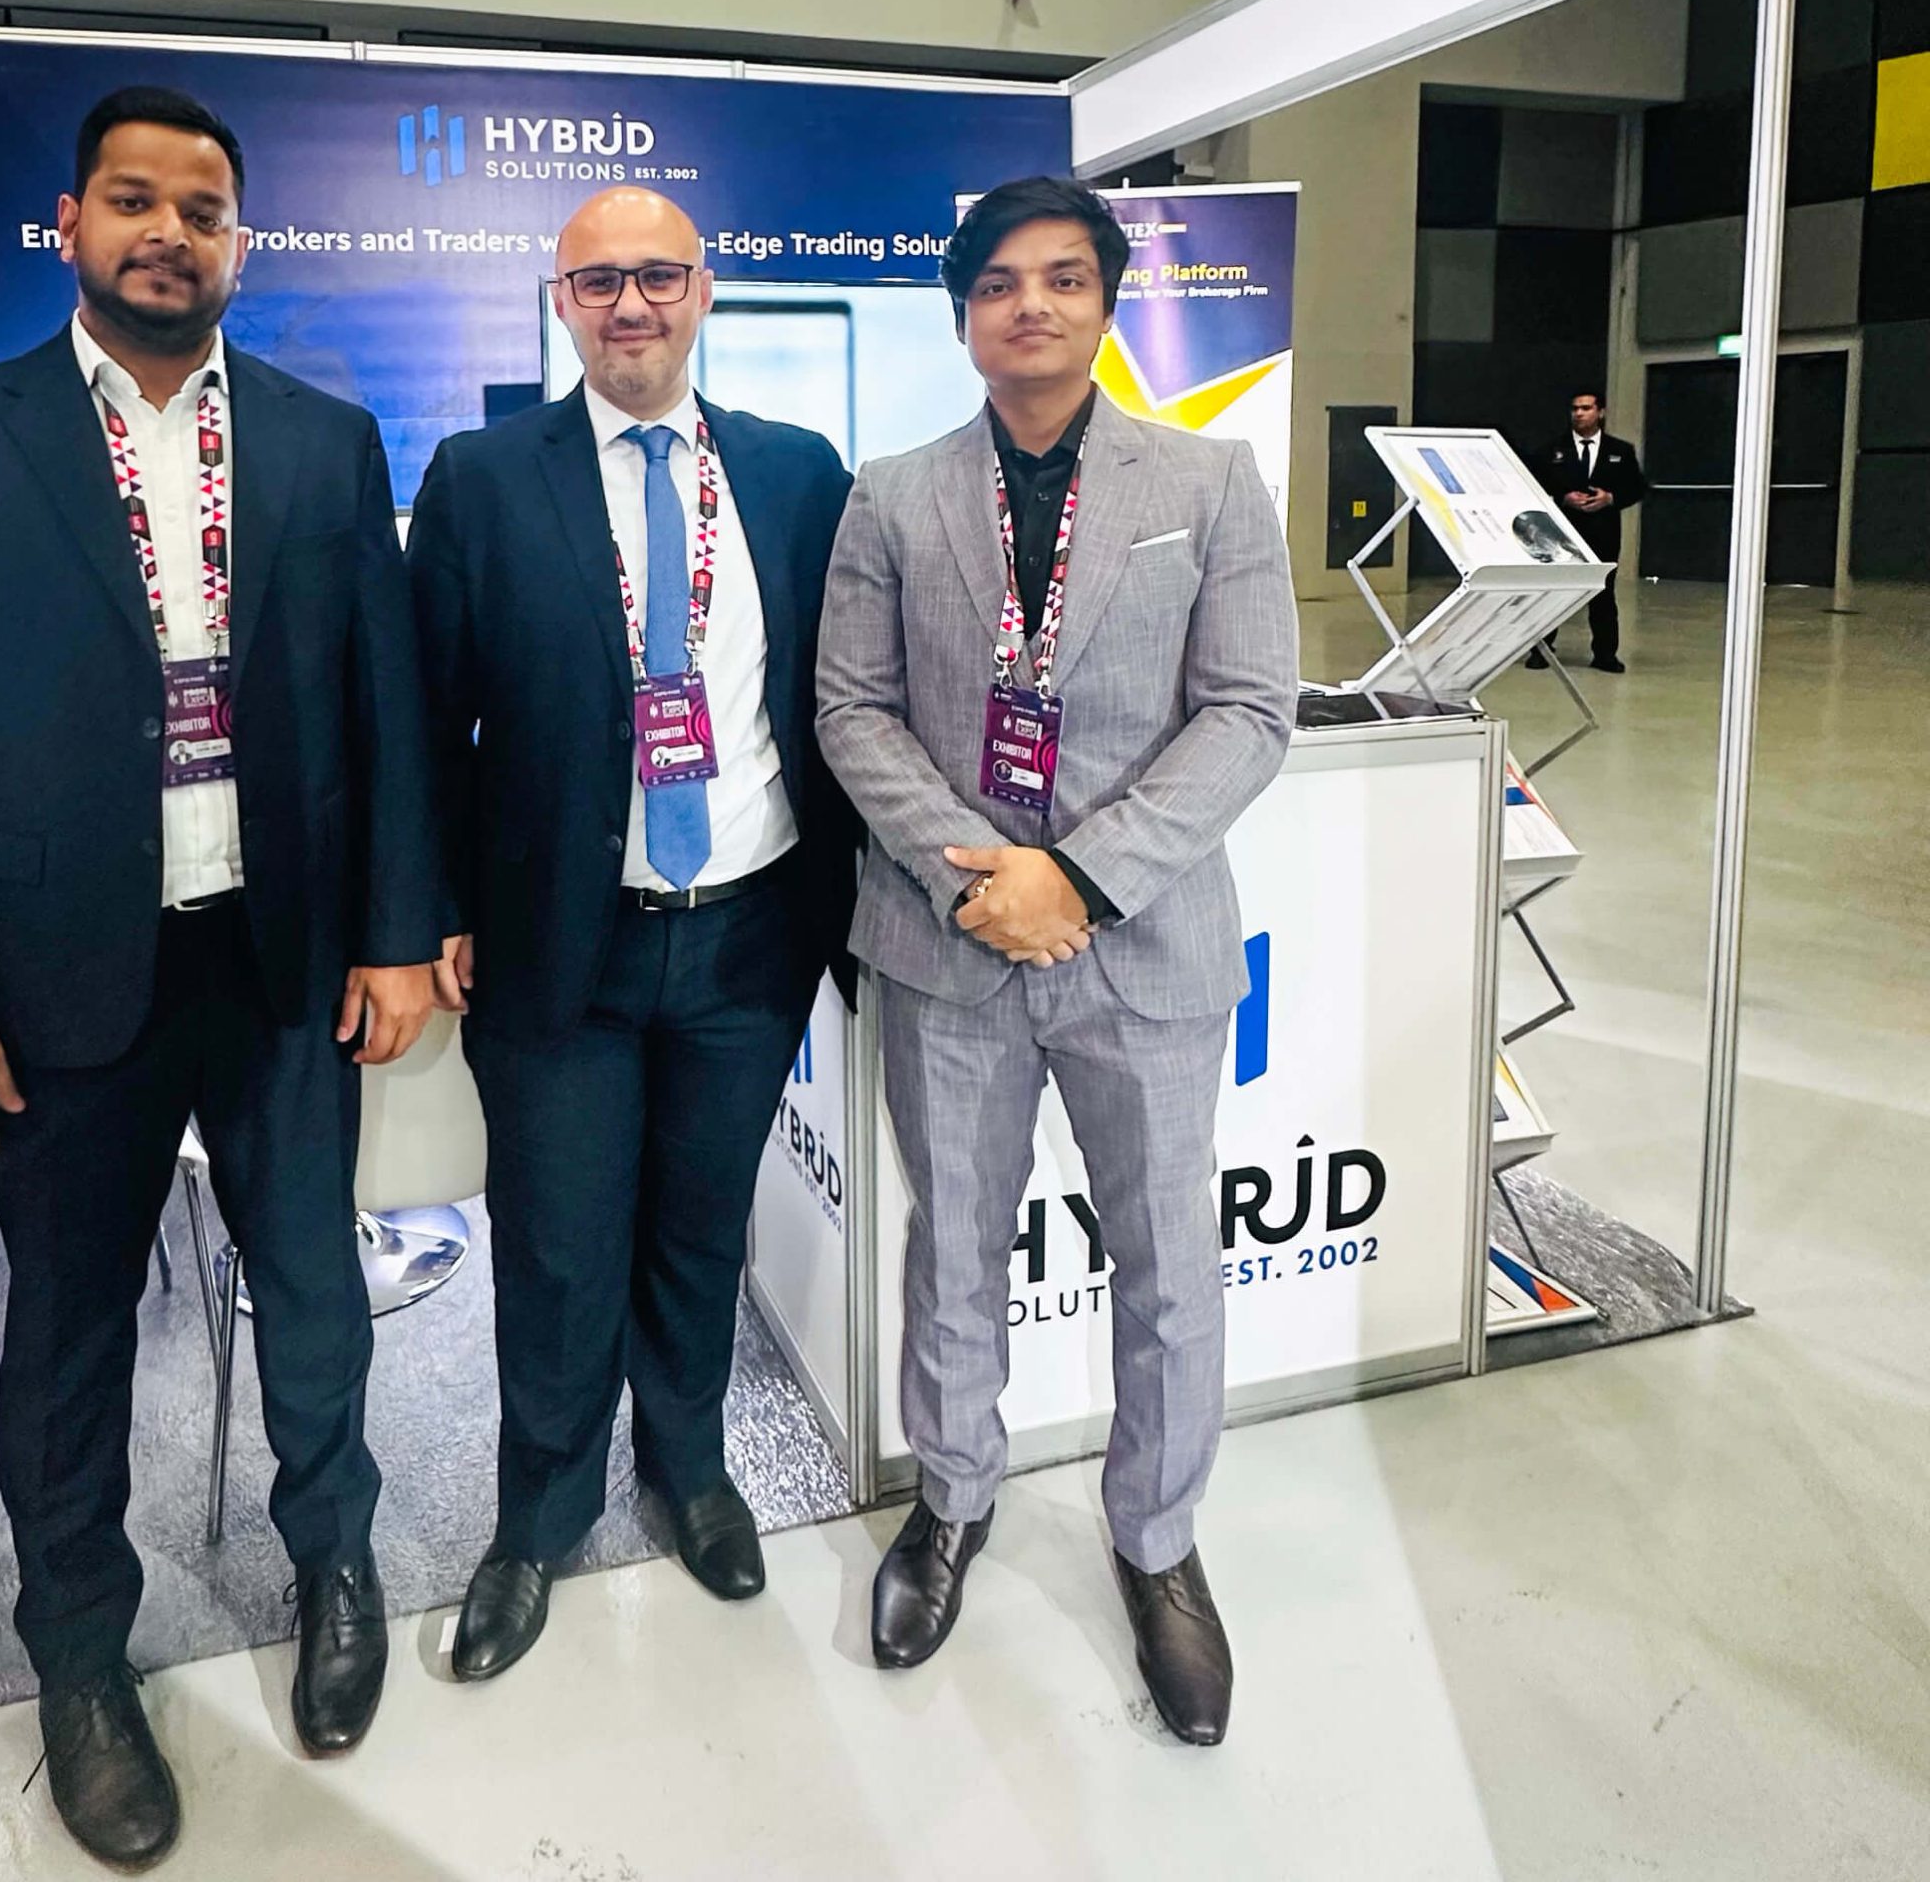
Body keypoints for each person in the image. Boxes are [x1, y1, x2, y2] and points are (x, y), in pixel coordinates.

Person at [0, 86, 444, 1872]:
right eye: (133, 199)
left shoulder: (327, 443)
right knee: (69, 1333)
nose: (168, 231)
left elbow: (388, 711)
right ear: (72, 224)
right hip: (56, 979)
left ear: (240, 242)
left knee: (313, 1288)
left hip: (279, 958)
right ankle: (84, 1665)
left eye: (201, 208)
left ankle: (334, 1563)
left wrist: (396, 929)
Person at [814, 174, 1295, 1746]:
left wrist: (1076, 876)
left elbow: (1251, 712)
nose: (1032, 306)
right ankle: (952, 1504)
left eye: (1065, 279)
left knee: (1167, 1265)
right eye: (1001, 283)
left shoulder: (1208, 481)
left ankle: (1157, 1545)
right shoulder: (893, 495)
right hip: (950, 946)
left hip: (1141, 946)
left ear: (1104, 302)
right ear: (965, 314)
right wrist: (984, 880)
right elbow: (851, 710)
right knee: (954, 1246)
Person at [408, 186, 858, 1681]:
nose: (631, 306)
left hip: (748, 934)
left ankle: (689, 1468)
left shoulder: (795, 474)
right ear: (562, 303)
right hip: (562, 943)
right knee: (555, 1248)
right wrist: (437, 905)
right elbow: (425, 720)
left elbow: (841, 695)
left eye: (657, 276)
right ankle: (537, 1520)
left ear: (703, 290)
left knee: (700, 1223)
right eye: (597, 282)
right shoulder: (483, 477)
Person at [1535, 390, 1647, 672]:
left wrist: (1610, 498)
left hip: (1603, 531)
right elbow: (1536, 485)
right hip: (1562, 532)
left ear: (1600, 412)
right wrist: (1562, 498)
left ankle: (1605, 654)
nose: (1579, 414)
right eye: (1575, 409)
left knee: (1603, 593)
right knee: (1553, 591)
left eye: (1586, 408)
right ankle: (1541, 650)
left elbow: (1637, 487)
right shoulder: (1552, 450)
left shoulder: (1620, 450)